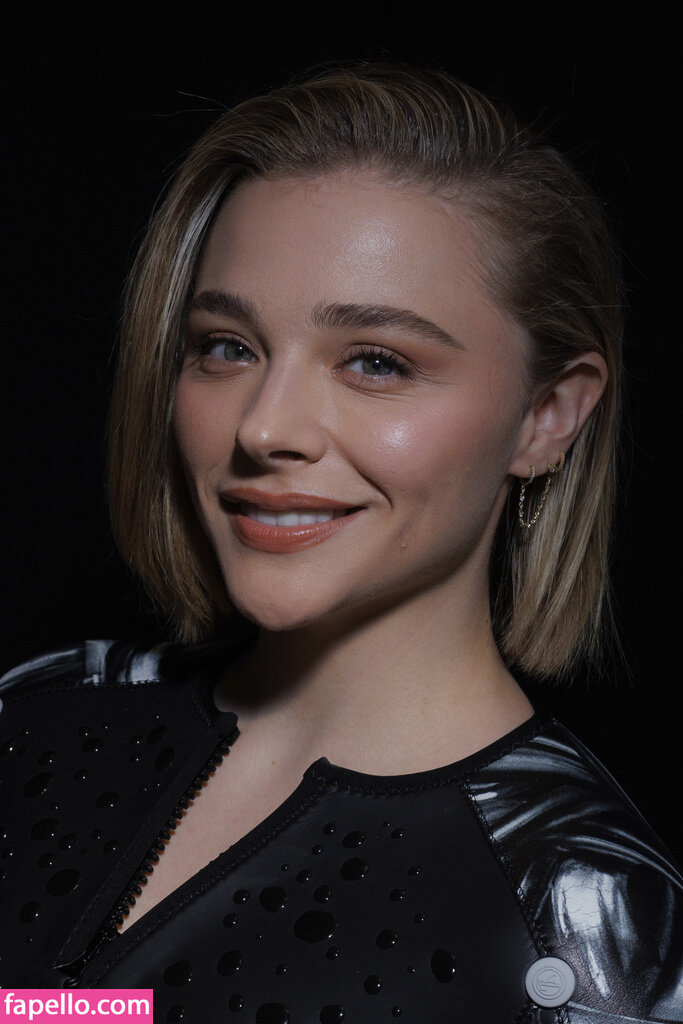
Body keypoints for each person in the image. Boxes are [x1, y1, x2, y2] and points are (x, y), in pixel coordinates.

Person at [1, 64, 681, 1022]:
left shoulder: (586, 920)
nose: (263, 427)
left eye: (375, 362)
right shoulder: (41, 709)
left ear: (547, 417)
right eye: (226, 347)